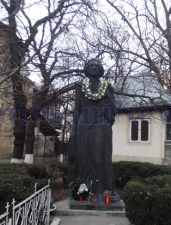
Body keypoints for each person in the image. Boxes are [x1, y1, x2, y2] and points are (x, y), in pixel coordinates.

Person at [68, 58, 116, 203]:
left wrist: (108, 96)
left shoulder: (107, 87)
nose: (94, 68)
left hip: (101, 123)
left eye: (97, 66)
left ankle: (103, 189)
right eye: (91, 66)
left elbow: (113, 107)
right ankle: (85, 190)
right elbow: (77, 109)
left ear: (101, 70)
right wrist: (74, 128)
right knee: (84, 156)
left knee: (100, 156)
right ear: (86, 70)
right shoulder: (80, 85)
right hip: (84, 123)